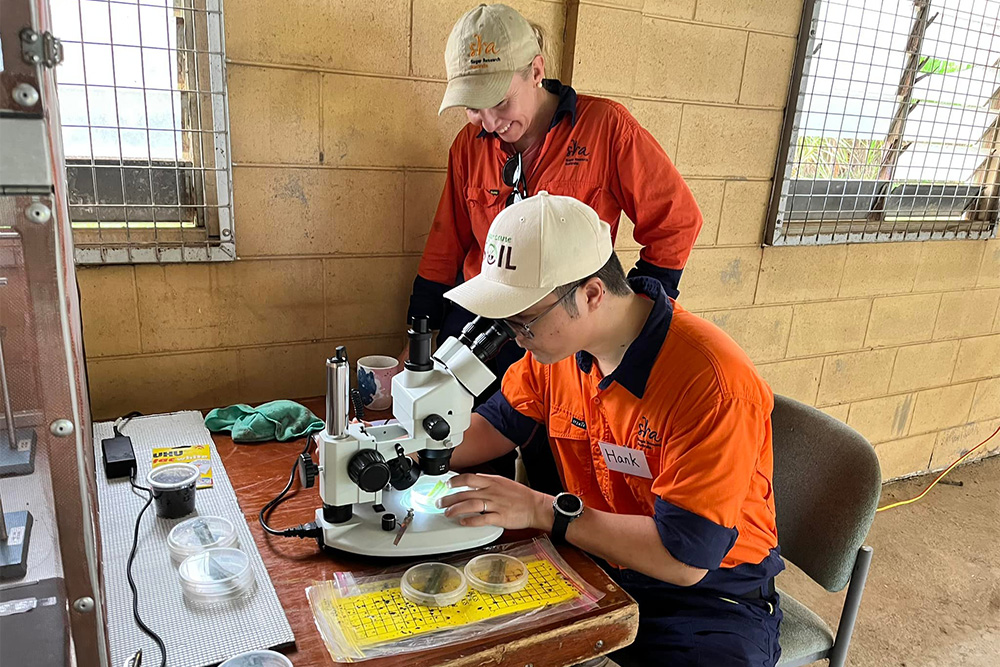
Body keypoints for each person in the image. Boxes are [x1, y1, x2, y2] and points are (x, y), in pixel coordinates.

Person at [438, 192, 783, 666]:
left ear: (592, 293)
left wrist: (543, 510)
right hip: (591, 559)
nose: (516, 335)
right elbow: (497, 424)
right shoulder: (554, 355)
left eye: (525, 320)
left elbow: (683, 558)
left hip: (706, 598)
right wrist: (413, 447)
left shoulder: (711, 383)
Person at [404, 3, 704, 485]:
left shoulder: (605, 128)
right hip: (486, 324)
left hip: (564, 332)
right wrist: (415, 342)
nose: (488, 122)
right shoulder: (468, 145)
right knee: (470, 453)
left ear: (536, 72)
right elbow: (445, 244)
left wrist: (626, 319)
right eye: (474, 107)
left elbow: (676, 221)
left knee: (561, 472)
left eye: (499, 103)